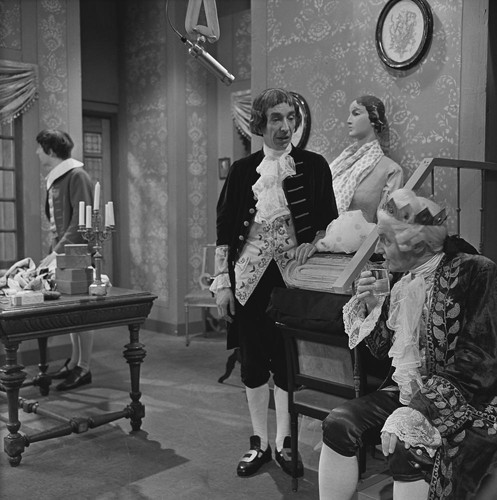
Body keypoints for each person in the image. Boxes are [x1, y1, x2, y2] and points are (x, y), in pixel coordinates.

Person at [318, 188, 497, 500]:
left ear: (416, 244)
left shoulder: (477, 271)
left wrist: (419, 410)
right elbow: (382, 350)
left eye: (385, 239)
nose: (378, 248)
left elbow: (479, 364)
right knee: (338, 423)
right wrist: (373, 307)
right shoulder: (401, 281)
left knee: (407, 445)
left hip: (469, 402)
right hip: (409, 392)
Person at [210, 88, 338, 478]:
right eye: (276, 119)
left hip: (292, 283)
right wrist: (222, 283)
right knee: (252, 364)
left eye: (290, 118)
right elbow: (224, 230)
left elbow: (328, 223)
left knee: (286, 364)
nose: (285, 127)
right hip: (248, 282)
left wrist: (316, 243)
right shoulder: (242, 170)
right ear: (260, 123)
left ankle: (284, 442)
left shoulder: (313, 166)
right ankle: (259, 442)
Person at [37, 129, 95, 391]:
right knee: (72, 311)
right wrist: (54, 252)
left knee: (82, 311)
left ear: (50, 150)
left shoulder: (77, 175)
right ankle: (74, 362)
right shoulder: (58, 177)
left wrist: (57, 252)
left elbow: (80, 223)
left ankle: (85, 367)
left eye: (40, 148)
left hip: (76, 253)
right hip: (63, 252)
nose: (37, 153)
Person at [330, 95, 403, 223]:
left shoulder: (390, 170)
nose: (348, 120)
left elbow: (387, 224)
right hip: (322, 232)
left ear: (374, 117)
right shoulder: (340, 164)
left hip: (362, 235)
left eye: (356, 114)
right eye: (349, 114)